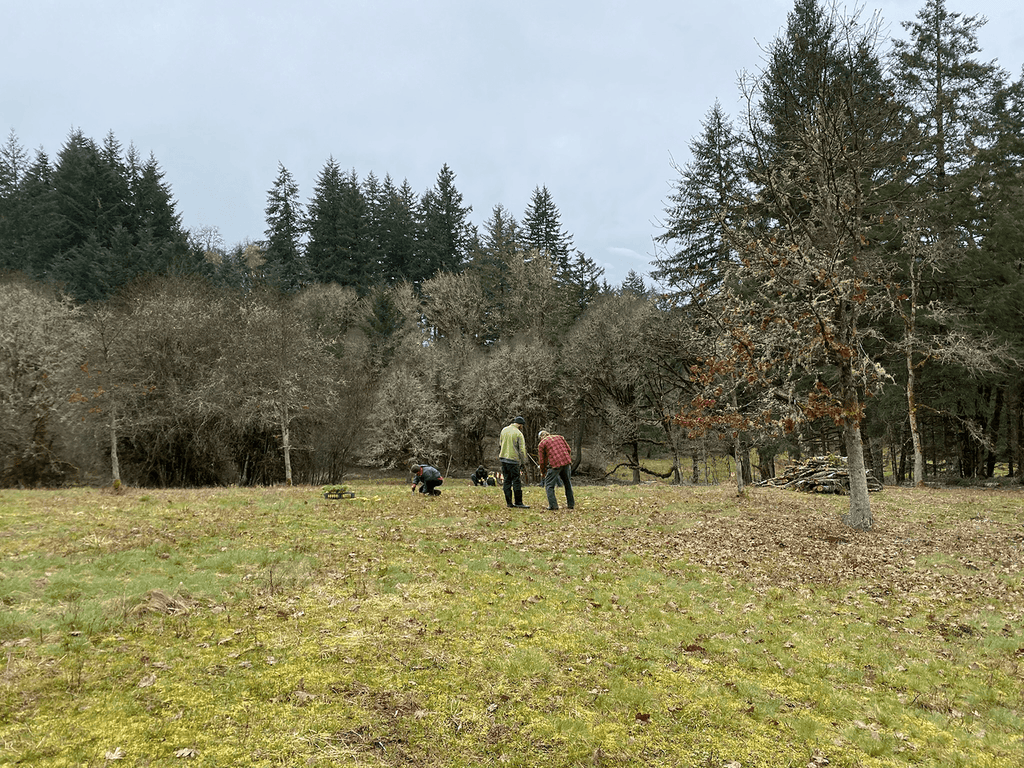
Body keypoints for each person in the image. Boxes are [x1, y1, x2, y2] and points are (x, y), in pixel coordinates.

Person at [537, 430, 575, 511]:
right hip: (566, 462)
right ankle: (571, 504)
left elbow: (542, 461)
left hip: (555, 465)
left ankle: (553, 506)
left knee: (549, 485)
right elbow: (569, 450)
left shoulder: (542, 443)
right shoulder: (560, 437)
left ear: (540, 438)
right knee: (567, 483)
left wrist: (543, 472)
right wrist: (566, 458)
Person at [499, 416, 530, 508]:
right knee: (516, 481)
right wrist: (523, 462)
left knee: (507, 480)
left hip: (503, 459)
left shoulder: (504, 430)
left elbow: (500, 444)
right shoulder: (519, 433)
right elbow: (521, 450)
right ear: (520, 425)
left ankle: (509, 502)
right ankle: (518, 502)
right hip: (513, 460)